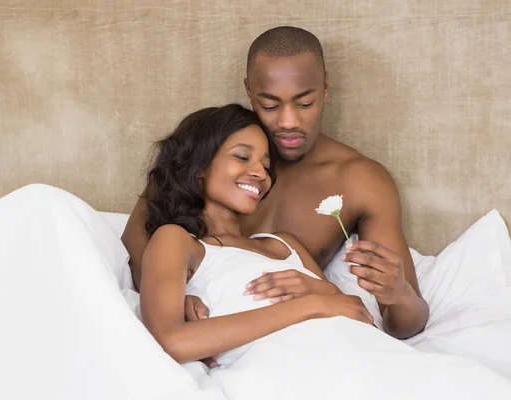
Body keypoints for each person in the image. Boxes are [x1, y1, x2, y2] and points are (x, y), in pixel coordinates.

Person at [137, 103, 511, 399]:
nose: (260, 173)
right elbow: (172, 341)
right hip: (301, 376)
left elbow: (354, 313)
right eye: (242, 156)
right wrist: (309, 305)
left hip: (374, 360)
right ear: (200, 165)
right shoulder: (177, 241)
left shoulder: (284, 244)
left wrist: (323, 293)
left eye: (266, 165)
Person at [122, 26, 428, 340]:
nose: (288, 122)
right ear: (249, 91)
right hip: (221, 336)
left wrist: (400, 294)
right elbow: (134, 243)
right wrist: (171, 300)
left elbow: (402, 322)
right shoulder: (208, 155)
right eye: (269, 105)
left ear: (324, 89)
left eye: (305, 103)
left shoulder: (361, 181)